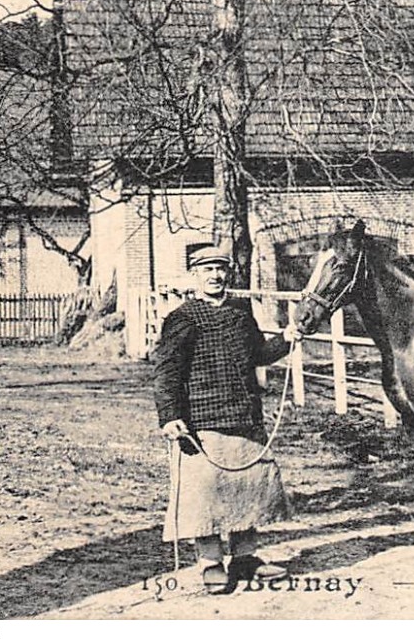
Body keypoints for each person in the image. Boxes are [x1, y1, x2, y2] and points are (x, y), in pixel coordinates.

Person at [154, 244, 301, 594]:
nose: (215, 276)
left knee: (247, 489)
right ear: (195, 276)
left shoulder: (240, 313)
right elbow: (166, 372)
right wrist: (170, 416)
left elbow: (258, 354)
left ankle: (246, 557)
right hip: (201, 422)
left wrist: (285, 340)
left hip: (244, 416)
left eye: (220, 269)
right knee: (204, 494)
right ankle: (210, 562)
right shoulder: (182, 318)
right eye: (207, 270)